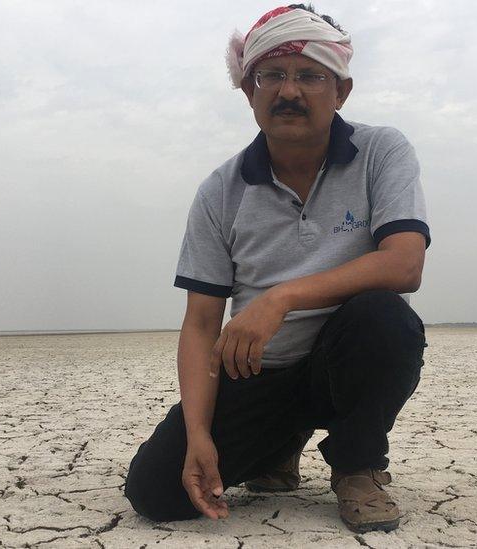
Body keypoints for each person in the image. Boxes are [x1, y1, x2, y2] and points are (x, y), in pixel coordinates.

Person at [124, 3, 430, 533]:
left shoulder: (381, 151)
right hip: (262, 372)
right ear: (249, 89)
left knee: (384, 317)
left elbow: (404, 263)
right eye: (272, 75)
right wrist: (199, 432)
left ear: (342, 91)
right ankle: (278, 447)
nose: (289, 91)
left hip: (346, 361)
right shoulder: (222, 190)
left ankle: (357, 466)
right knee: (156, 492)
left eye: (311, 75)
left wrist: (279, 298)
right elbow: (201, 324)